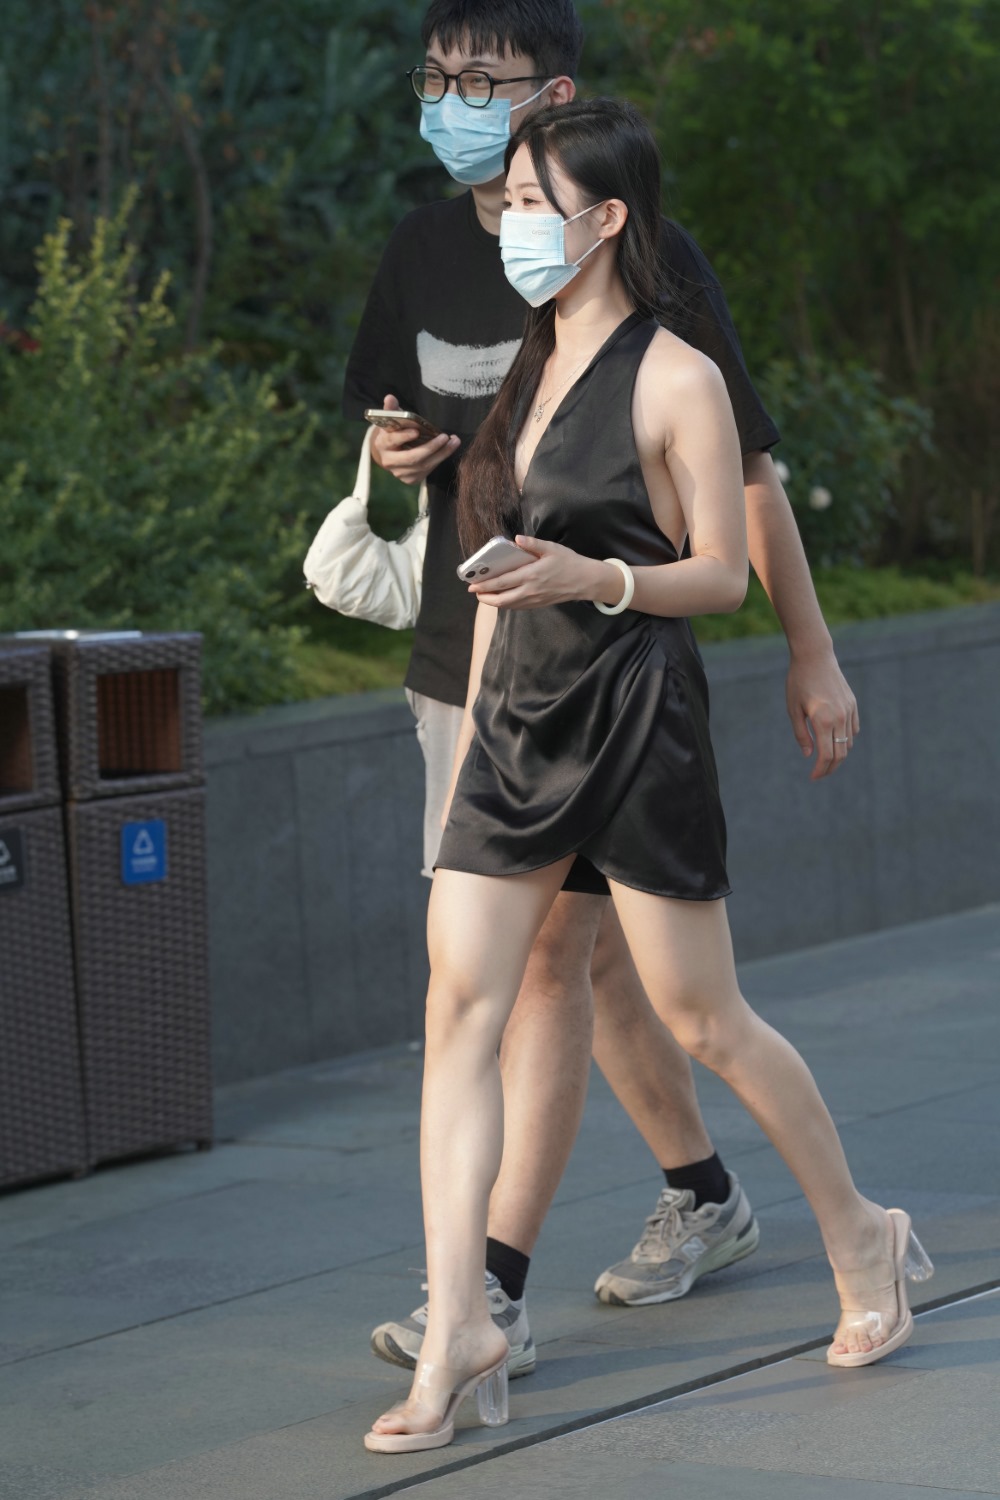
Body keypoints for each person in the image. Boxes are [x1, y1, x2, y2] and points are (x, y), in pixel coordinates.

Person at [364, 96, 931, 1455]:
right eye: (508, 201)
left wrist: (598, 576)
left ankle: (862, 1233)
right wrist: (473, 761)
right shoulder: (525, 366)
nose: (513, 224)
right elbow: (496, 577)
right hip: (514, 728)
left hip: (633, 717)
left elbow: (722, 574)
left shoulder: (681, 376)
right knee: (462, 1006)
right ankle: (461, 1326)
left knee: (702, 1014)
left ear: (607, 217)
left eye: (535, 203)